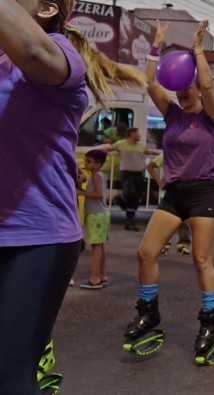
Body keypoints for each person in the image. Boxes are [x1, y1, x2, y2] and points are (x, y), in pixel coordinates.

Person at [0, 0, 145, 390]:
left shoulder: (60, 53)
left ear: (46, 9)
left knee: (10, 379)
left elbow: (31, 50)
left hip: (36, 237)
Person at [122, 20, 214, 365]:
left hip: (201, 193)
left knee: (200, 260)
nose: (182, 93)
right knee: (145, 253)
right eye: (179, 89)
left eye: (188, 88)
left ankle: (211, 322)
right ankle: (149, 312)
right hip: (174, 192)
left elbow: (210, 83)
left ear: (195, 87)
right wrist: (155, 45)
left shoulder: (211, 117)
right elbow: (151, 82)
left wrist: (197, 49)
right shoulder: (172, 115)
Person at [106, 127, 158, 231]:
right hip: (127, 173)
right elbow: (108, 149)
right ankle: (119, 199)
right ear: (132, 134)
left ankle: (129, 221)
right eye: (137, 133)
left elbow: (149, 153)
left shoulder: (140, 147)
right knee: (130, 192)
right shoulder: (121, 144)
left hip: (139, 174)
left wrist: (161, 155)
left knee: (135, 198)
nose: (139, 135)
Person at [77, 149, 111, 289]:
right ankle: (102, 275)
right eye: (86, 160)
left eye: (89, 162)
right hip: (101, 214)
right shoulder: (98, 176)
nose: (86, 163)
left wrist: (81, 192)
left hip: (95, 214)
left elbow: (98, 194)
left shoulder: (96, 176)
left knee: (96, 247)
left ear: (98, 164)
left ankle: (95, 278)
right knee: (100, 246)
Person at [146, 153, 192, 256]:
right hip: (168, 193)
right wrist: (158, 181)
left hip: (185, 192)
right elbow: (150, 166)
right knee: (166, 222)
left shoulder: (189, 154)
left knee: (184, 222)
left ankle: (183, 245)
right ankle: (164, 245)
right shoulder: (167, 153)